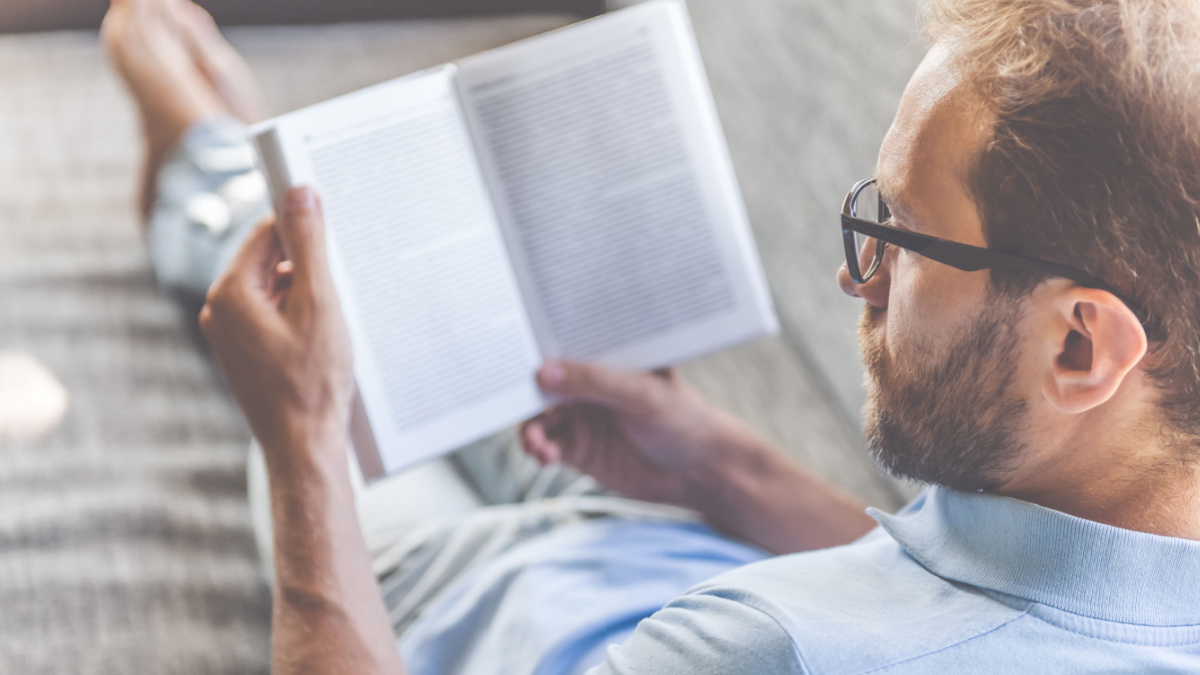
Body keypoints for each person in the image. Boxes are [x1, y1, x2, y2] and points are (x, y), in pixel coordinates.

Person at [103, 0, 1200, 671]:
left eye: (902, 238)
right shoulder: (1117, 514)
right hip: (673, 531)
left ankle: (200, 160)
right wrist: (711, 459)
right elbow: (962, 589)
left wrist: (303, 453)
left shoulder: (770, 655)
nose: (855, 277)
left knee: (311, 323)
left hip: (455, 600)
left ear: (1080, 349)